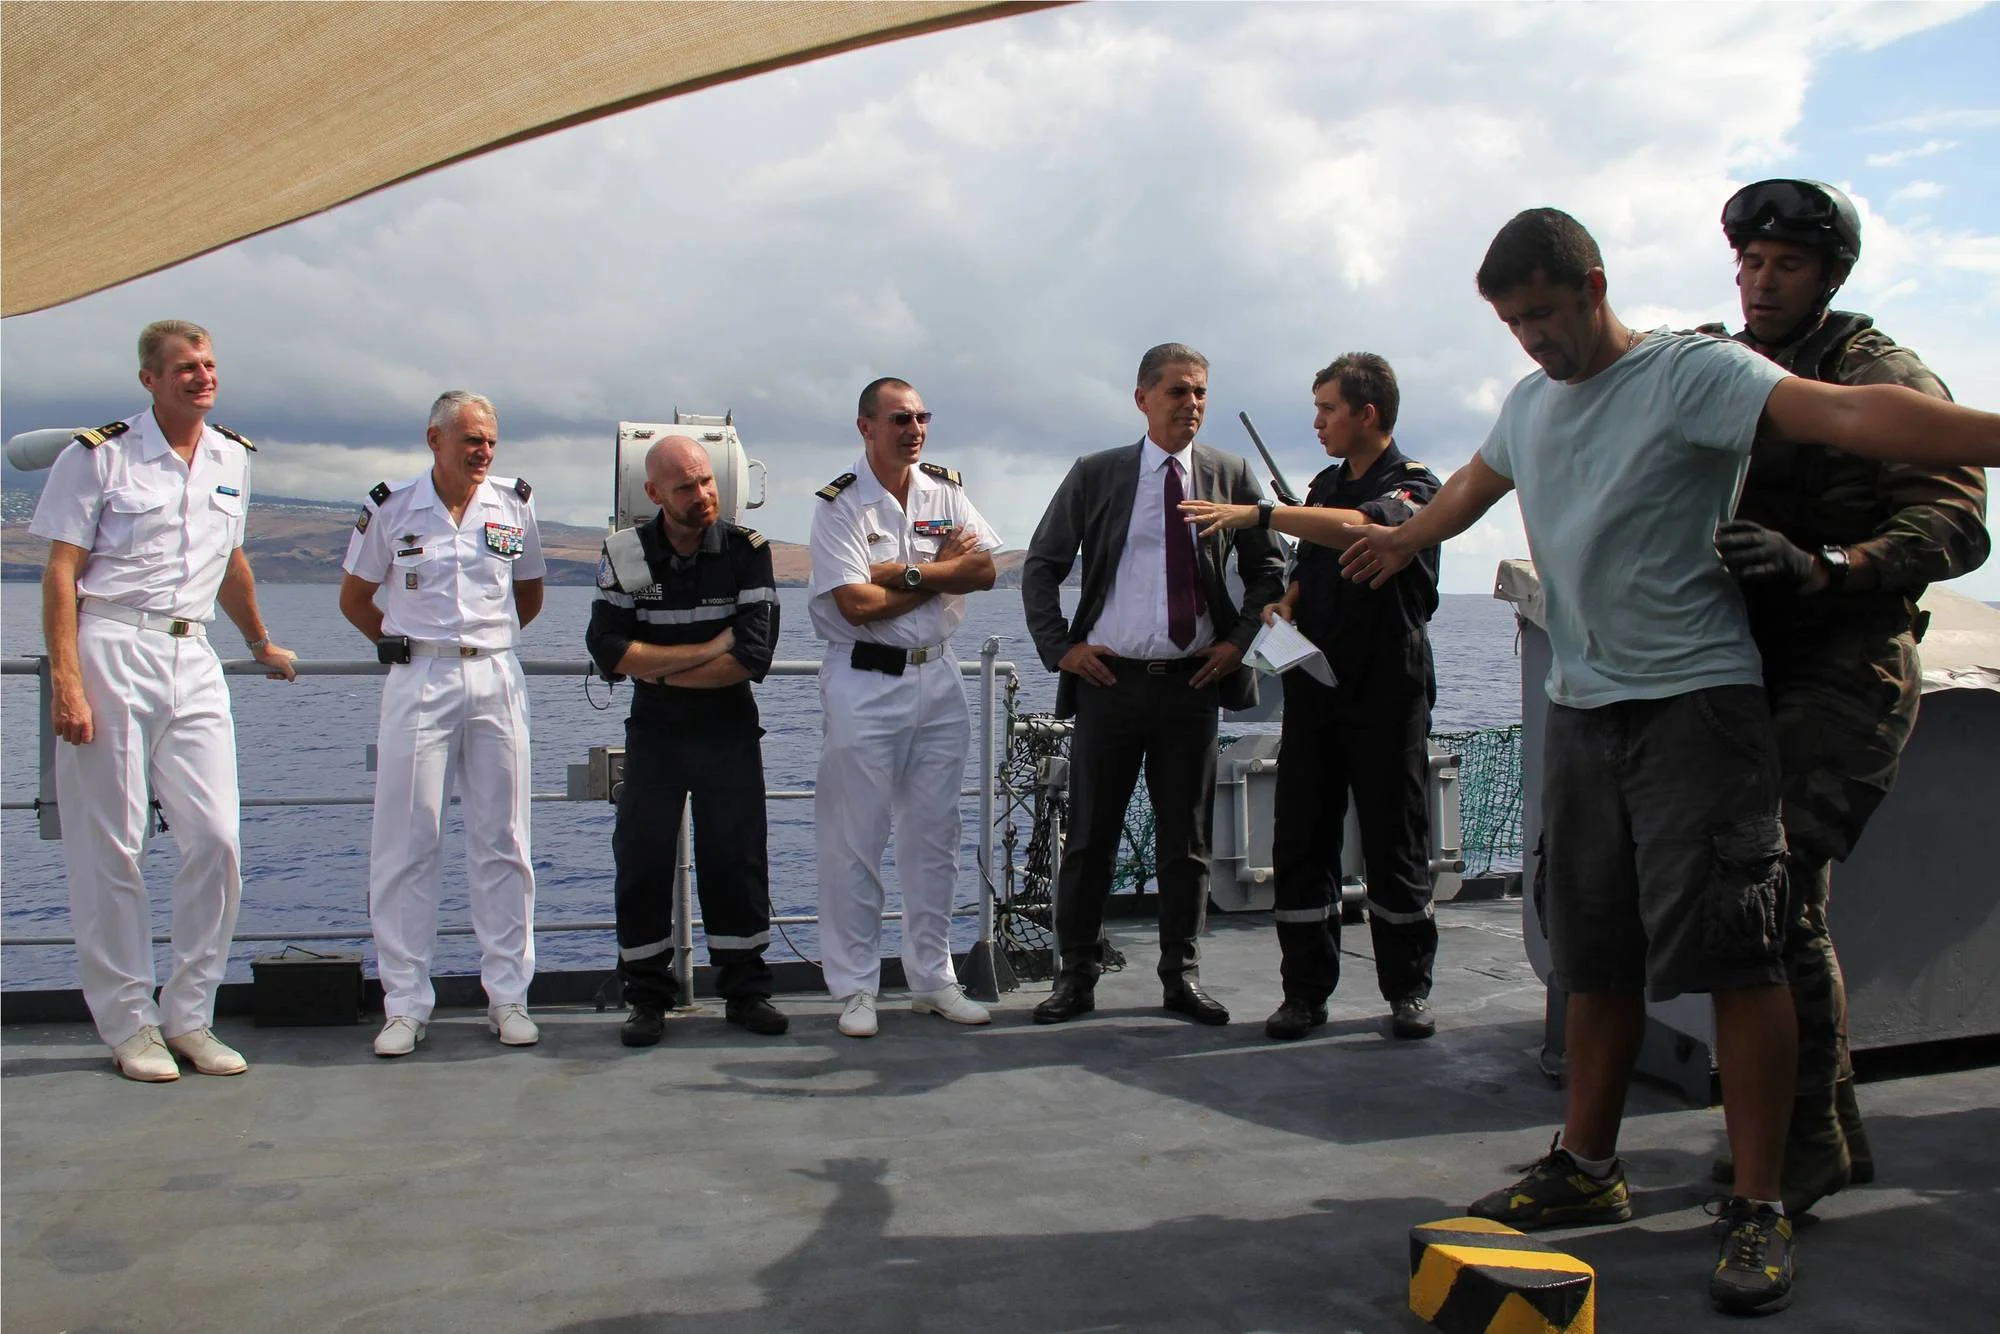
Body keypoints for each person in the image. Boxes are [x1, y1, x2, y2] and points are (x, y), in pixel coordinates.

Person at [1341, 208, 2000, 1316]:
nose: (1532, 340)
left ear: (1593, 285)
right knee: (1592, 952)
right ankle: (1586, 1166)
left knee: (1744, 953)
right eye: (1511, 323)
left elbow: (1849, 413)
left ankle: (1757, 1201)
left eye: (1544, 314)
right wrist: (1406, 537)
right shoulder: (1529, 403)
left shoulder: (1689, 372)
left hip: (1696, 708)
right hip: (1585, 709)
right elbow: (1469, 482)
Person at [1706, 178, 1990, 1210]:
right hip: (1745, 668)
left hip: (1846, 666)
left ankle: (1802, 1137)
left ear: (1827, 275)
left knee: (1772, 888)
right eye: (1747, 261)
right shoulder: (1715, 364)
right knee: (1780, 905)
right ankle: (1814, 1126)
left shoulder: (1877, 373)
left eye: (1783, 264)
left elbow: (1956, 521)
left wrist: (1825, 562)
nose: (1759, 281)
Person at [29, 320, 297, 1083]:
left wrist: (259, 642)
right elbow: (60, 573)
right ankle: (129, 1024)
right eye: (184, 367)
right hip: (112, 642)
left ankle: (189, 1014)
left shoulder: (230, 459)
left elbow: (231, 561)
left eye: (208, 364)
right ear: (150, 379)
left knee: (216, 839)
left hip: (194, 653)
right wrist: (68, 680)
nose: (200, 376)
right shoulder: (100, 455)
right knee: (111, 845)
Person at [1021, 343, 1286, 1027]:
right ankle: (1075, 976)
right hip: (1111, 684)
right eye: (1176, 392)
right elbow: (1041, 566)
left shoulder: (1229, 474)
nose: (1190, 405)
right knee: (1089, 839)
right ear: (1142, 398)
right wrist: (1062, 649)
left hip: (1191, 685)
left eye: (1199, 392)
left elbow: (1270, 570)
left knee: (1187, 842)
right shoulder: (1098, 475)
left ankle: (1182, 977)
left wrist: (1237, 643)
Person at [1180, 352, 1444, 1042]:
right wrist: (1285, 607)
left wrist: (1261, 512)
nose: (1319, 421)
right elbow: (1311, 566)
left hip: (1387, 687)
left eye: (1329, 408)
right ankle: (1304, 993)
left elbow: (1364, 529)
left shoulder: (1415, 485)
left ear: (1368, 414)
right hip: (1316, 687)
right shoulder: (1327, 484)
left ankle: (1407, 990)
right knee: (1302, 838)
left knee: (1395, 838)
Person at [338, 390, 544, 1058]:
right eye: (471, 441)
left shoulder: (513, 503)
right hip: (418, 679)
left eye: (489, 440)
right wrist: (404, 641)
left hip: (495, 676)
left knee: (504, 839)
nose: (483, 452)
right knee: (405, 840)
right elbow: (354, 597)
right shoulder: (392, 508)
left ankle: (508, 996)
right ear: (436, 439)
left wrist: (488, 642)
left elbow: (530, 592)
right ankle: (404, 1004)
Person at [808, 378, 1002, 1038]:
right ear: (866, 427)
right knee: (855, 838)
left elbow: (984, 571)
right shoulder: (840, 505)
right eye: (899, 419)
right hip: (864, 684)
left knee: (934, 837)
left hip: (938, 681)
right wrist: (935, 574)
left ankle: (932, 978)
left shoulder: (945, 490)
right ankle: (857, 986)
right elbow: (855, 607)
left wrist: (908, 575)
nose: (914, 429)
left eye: (922, 417)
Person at [585, 435, 787, 1046]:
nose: (702, 496)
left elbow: (752, 655)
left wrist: (659, 664)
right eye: (684, 487)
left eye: (706, 482)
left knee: (736, 858)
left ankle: (746, 990)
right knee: (642, 859)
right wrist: (706, 647)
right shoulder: (625, 553)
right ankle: (646, 998)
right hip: (657, 734)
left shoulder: (748, 551)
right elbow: (608, 650)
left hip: (727, 729)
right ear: (653, 494)